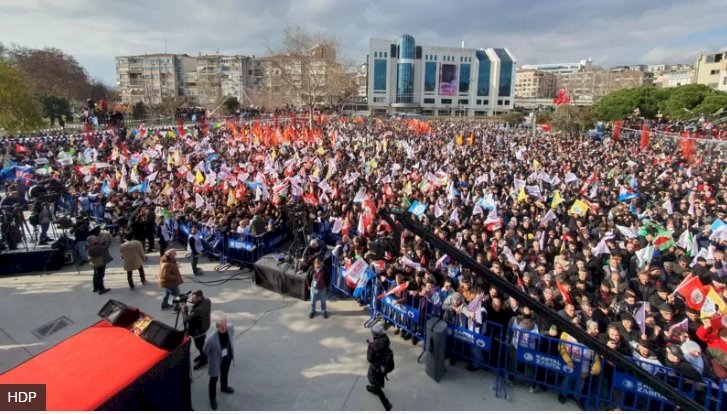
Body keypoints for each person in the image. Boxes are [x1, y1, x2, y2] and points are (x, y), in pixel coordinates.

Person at [203, 311, 235, 411]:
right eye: (221, 327)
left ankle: (224, 387)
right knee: (213, 380)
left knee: (225, 373)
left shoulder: (230, 328)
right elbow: (205, 351)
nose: (224, 328)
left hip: (227, 357)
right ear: (217, 327)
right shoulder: (211, 339)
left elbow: (231, 336)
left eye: (225, 325)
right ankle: (212, 398)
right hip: (216, 361)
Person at [366, 322, 393, 411]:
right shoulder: (386, 338)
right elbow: (381, 347)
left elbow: (369, 359)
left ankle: (386, 403)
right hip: (383, 366)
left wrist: (370, 347)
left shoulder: (373, 347)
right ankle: (374, 388)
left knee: (375, 382)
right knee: (376, 381)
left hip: (376, 368)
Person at [187, 290, 212, 370]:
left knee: (200, 346)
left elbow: (186, 319)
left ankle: (204, 360)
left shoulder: (197, 311)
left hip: (198, 332)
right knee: (202, 344)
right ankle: (202, 355)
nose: (192, 299)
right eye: (192, 297)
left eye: (194, 298)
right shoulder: (207, 301)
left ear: (199, 297)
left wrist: (184, 309)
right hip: (204, 327)